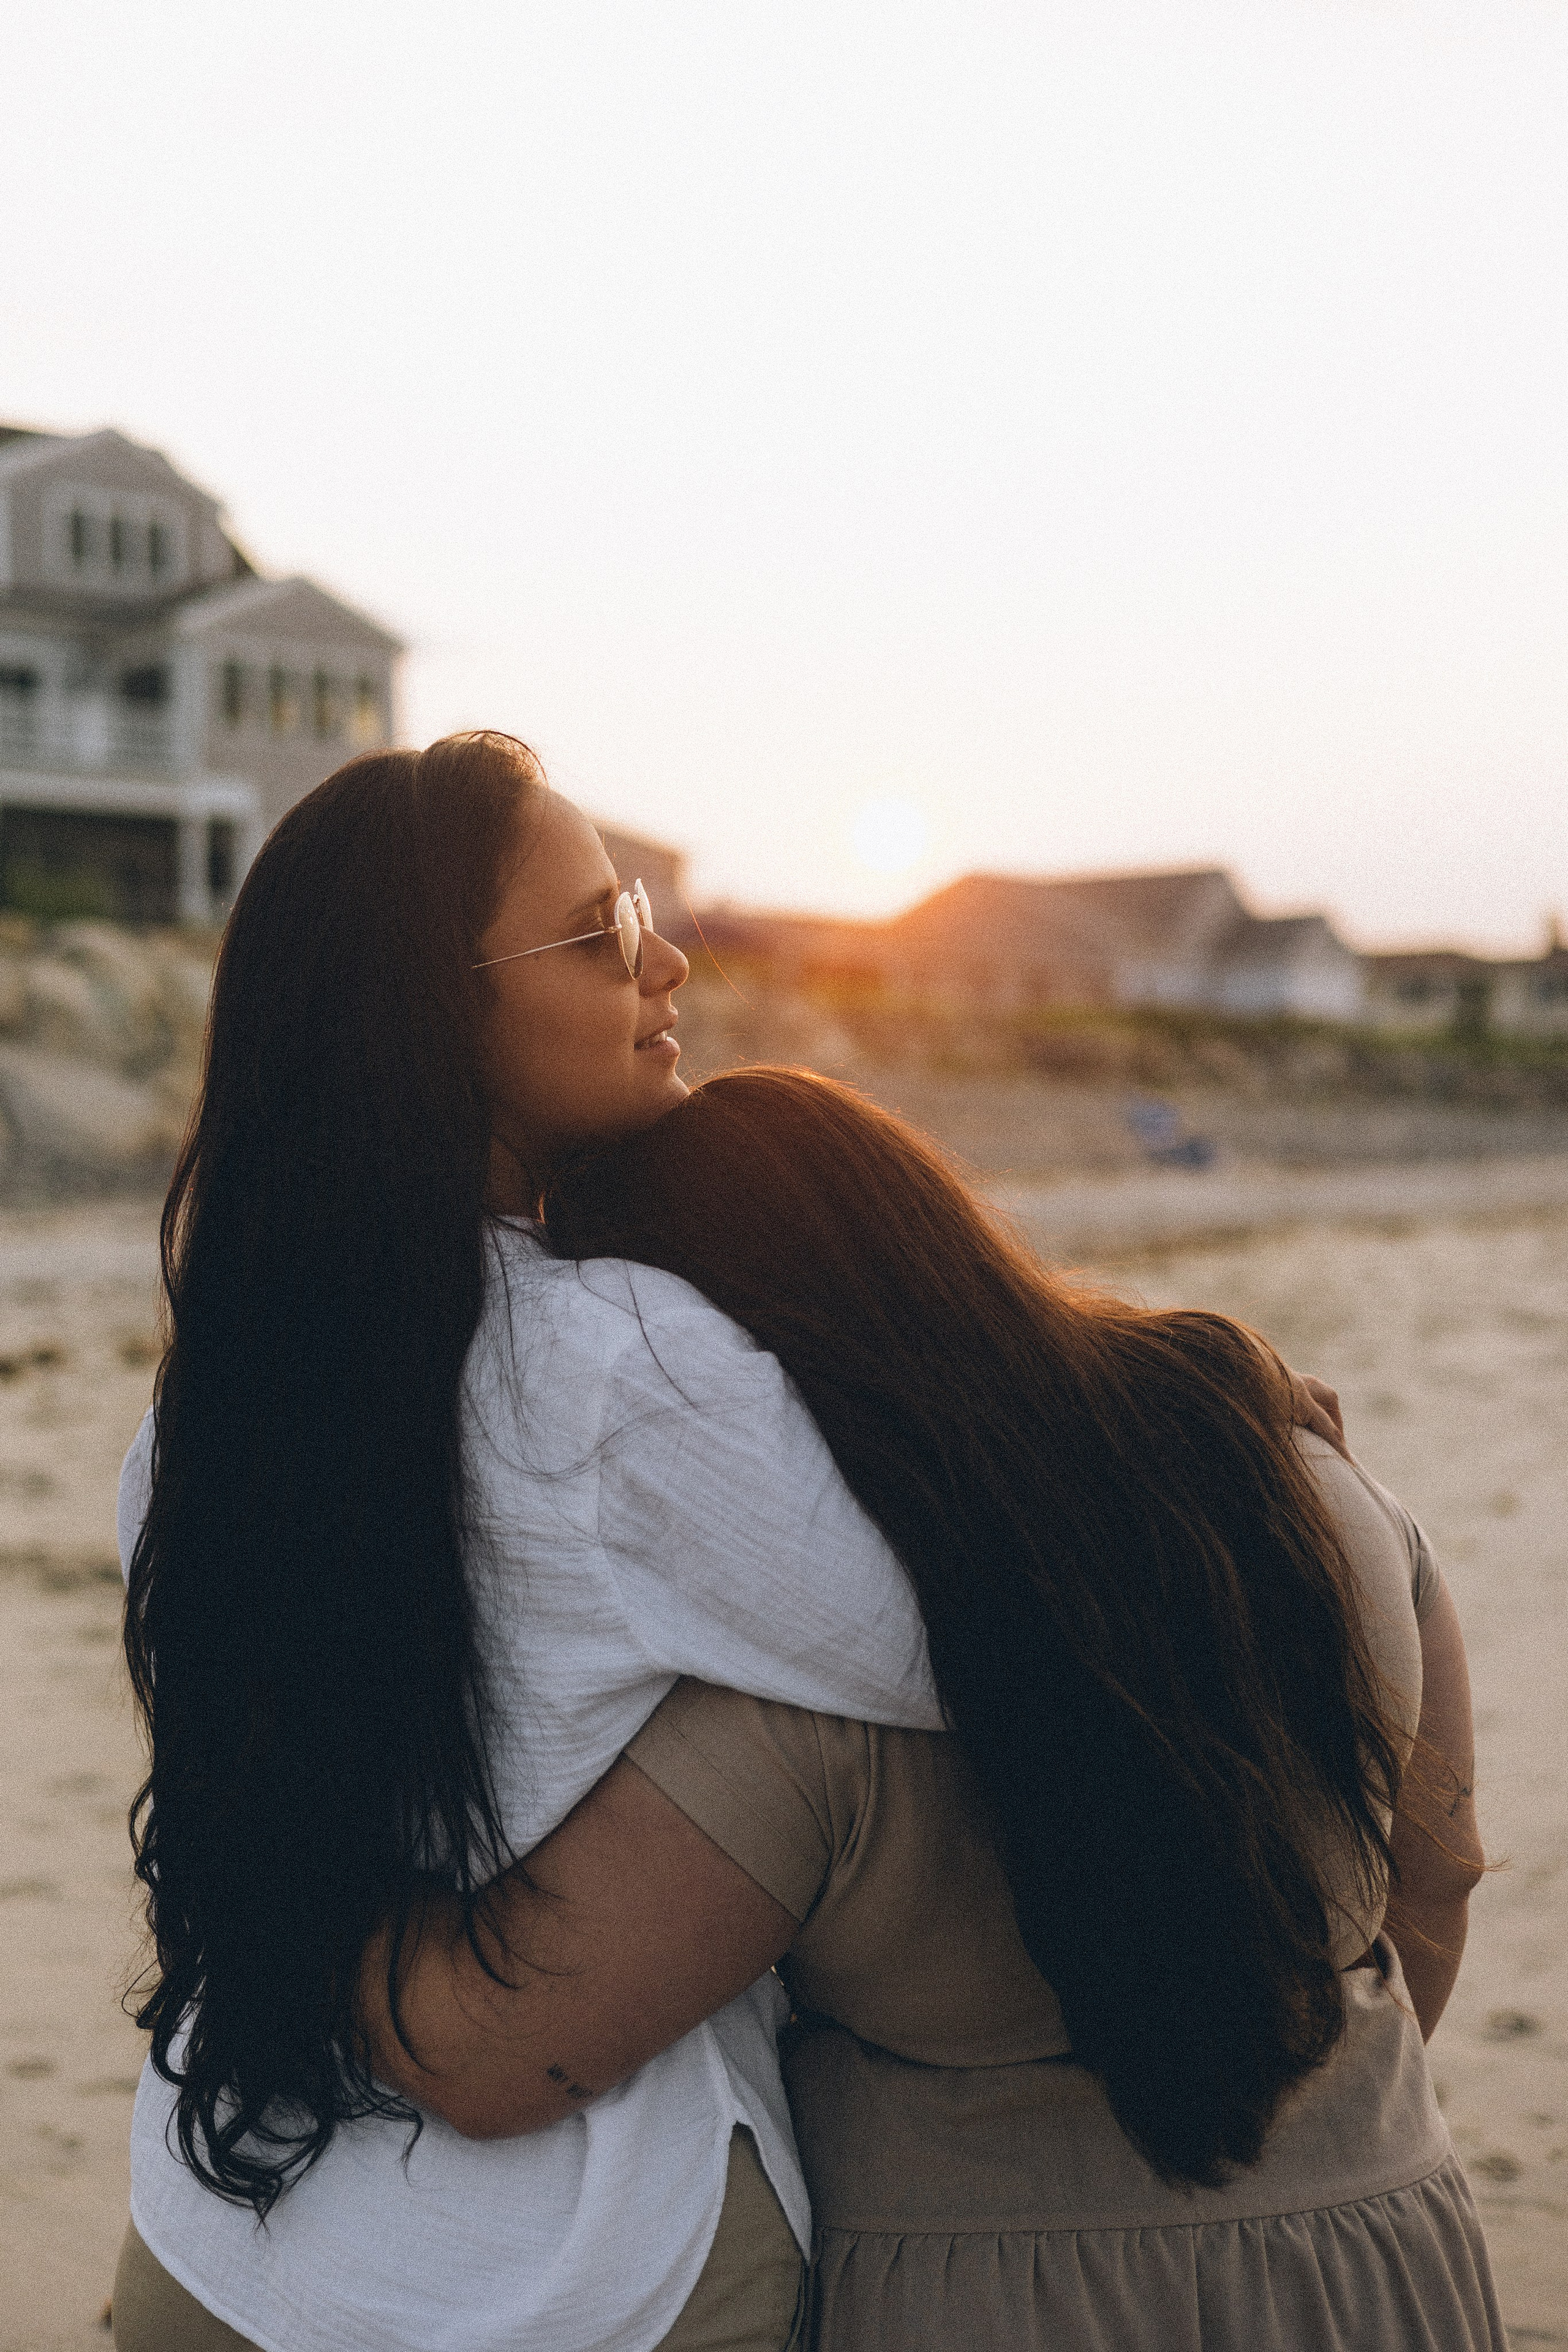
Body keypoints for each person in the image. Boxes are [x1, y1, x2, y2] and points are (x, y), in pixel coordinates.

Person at [360, 1068, 1503, 2351]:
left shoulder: (817, 1685)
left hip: (988, 2295)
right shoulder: (1305, 1481)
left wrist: (278, 1850)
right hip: (1377, 2251)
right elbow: (1435, 1881)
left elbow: (487, 2051)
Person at [113, 734, 947, 2352]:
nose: (667, 955)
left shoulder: (201, 1416)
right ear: (437, 1017)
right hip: (572, 2273)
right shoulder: (611, 1370)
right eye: (599, 931)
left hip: (222, 2242)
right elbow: (934, 1652)